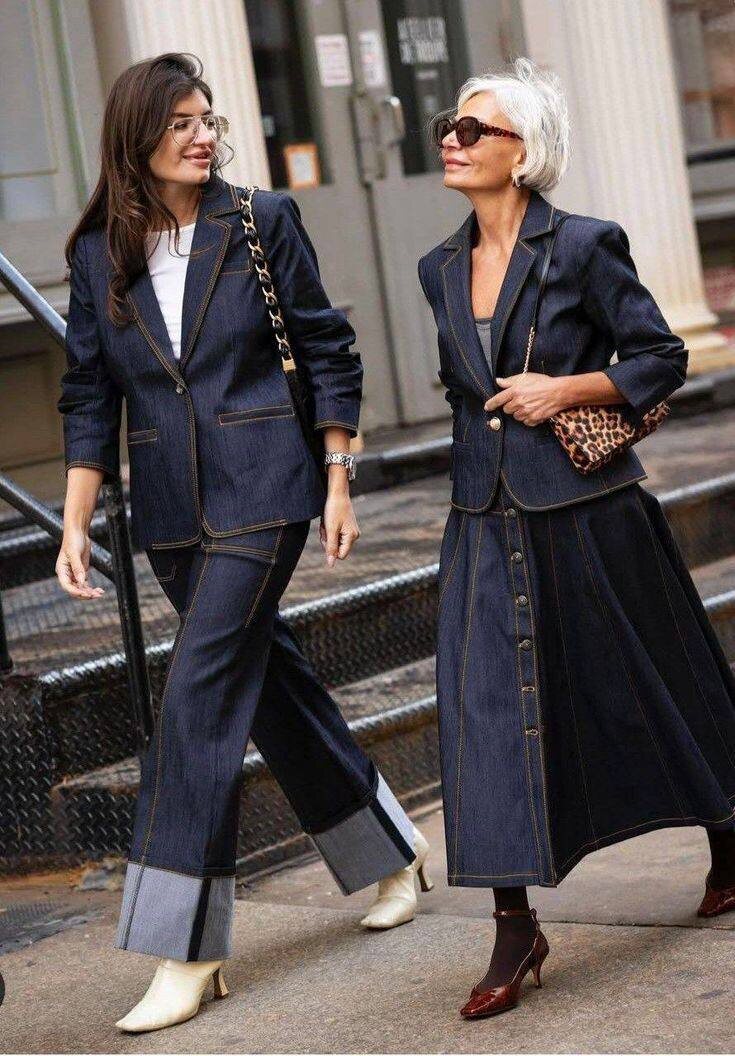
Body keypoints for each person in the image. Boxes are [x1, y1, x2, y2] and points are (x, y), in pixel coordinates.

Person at [56, 52, 432, 1034]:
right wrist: (75, 516)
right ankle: (392, 853)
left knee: (195, 700)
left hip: (266, 488)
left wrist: (338, 475)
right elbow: (89, 390)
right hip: (172, 510)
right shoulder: (98, 251)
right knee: (271, 688)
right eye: (180, 122)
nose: (202, 136)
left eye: (208, 119)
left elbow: (326, 343)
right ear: (136, 136)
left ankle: (186, 947)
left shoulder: (260, 222)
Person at [417, 56, 735, 1020]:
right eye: (447, 126)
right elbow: (461, 390)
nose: (451, 140)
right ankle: (514, 924)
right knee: (482, 713)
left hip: (589, 510)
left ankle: (729, 837)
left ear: (521, 154)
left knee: (655, 678)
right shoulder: (437, 267)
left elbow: (660, 356)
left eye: (472, 129)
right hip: (482, 514)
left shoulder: (585, 245)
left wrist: (565, 388)